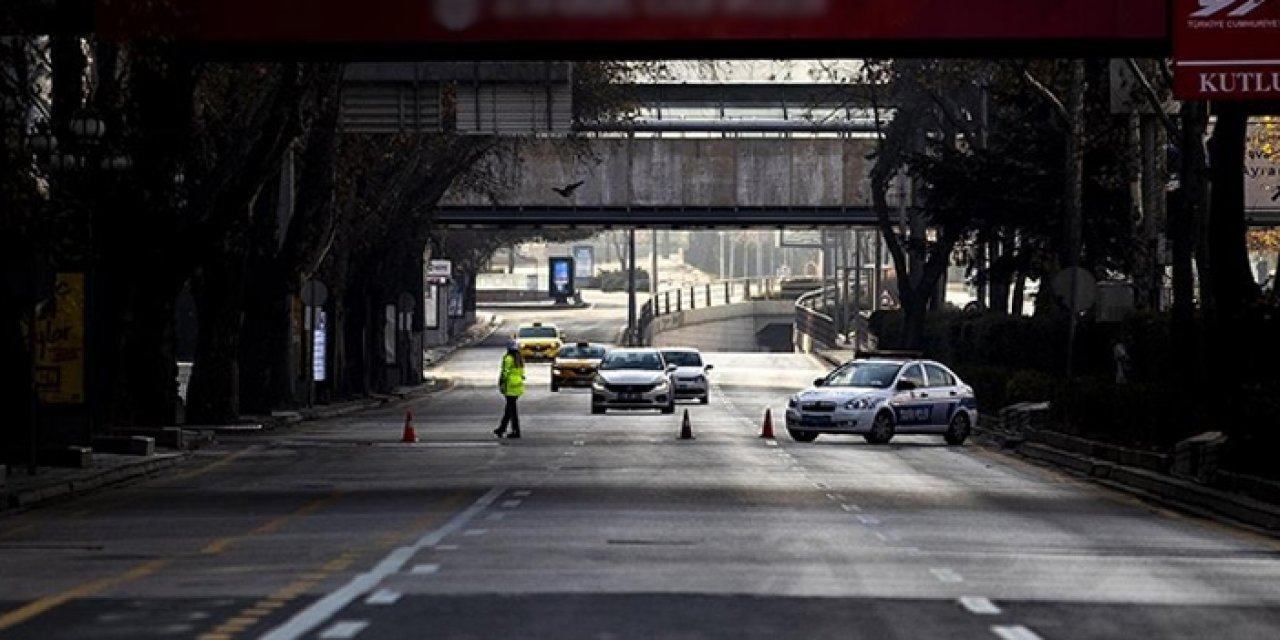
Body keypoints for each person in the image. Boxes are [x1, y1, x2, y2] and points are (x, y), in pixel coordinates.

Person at [494, 339, 526, 439]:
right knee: (510, 409)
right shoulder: (519, 359)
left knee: (511, 410)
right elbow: (521, 373)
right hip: (518, 385)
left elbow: (505, 372)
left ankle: (515, 431)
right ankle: (502, 429)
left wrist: (501, 381)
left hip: (510, 386)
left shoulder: (508, 358)